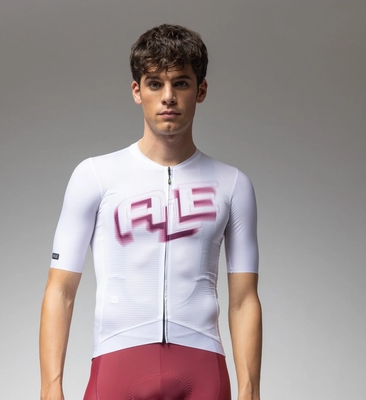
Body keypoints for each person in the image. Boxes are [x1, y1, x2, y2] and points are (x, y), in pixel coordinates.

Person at [40, 24, 262, 400]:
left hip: (202, 369)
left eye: (181, 83)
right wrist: (50, 389)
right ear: (137, 91)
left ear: (201, 90)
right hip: (117, 365)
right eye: (155, 83)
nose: (168, 97)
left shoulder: (232, 184)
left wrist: (250, 391)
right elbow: (60, 290)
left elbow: (243, 300)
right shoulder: (95, 176)